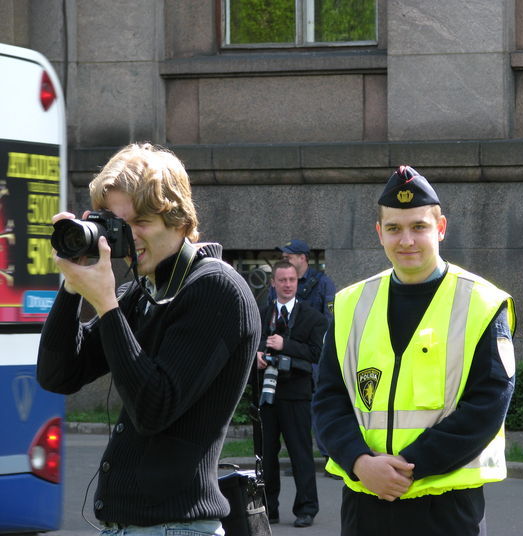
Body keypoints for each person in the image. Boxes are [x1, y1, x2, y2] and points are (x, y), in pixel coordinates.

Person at [36, 143, 261, 534]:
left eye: (140, 222)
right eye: (118, 225)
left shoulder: (216, 289)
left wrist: (107, 305)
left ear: (179, 219)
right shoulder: (144, 292)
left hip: (176, 526)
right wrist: (72, 285)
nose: (128, 237)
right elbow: (58, 375)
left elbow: (154, 407)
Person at [313, 165, 516, 536]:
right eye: (394, 228)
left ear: (440, 228)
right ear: (379, 234)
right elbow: (328, 398)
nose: (406, 240)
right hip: (365, 502)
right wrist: (359, 462)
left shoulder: (483, 302)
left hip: (447, 508)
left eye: (418, 227)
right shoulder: (350, 303)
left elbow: (487, 406)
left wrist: (406, 468)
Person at [257, 260, 327, 528]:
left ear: (298, 282)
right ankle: (268, 508)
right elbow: (249, 342)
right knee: (266, 454)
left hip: (297, 394)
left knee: (300, 454)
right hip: (267, 394)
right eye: (282, 280)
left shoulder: (313, 317)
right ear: (273, 283)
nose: (287, 285)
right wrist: (257, 355)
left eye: (292, 280)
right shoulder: (262, 314)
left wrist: (287, 345)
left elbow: (316, 354)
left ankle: (306, 509)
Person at [272, 239, 336, 321]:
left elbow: (329, 318)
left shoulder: (323, 283)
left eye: (288, 258)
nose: (284, 261)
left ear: (302, 258)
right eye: (283, 258)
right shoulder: (278, 282)